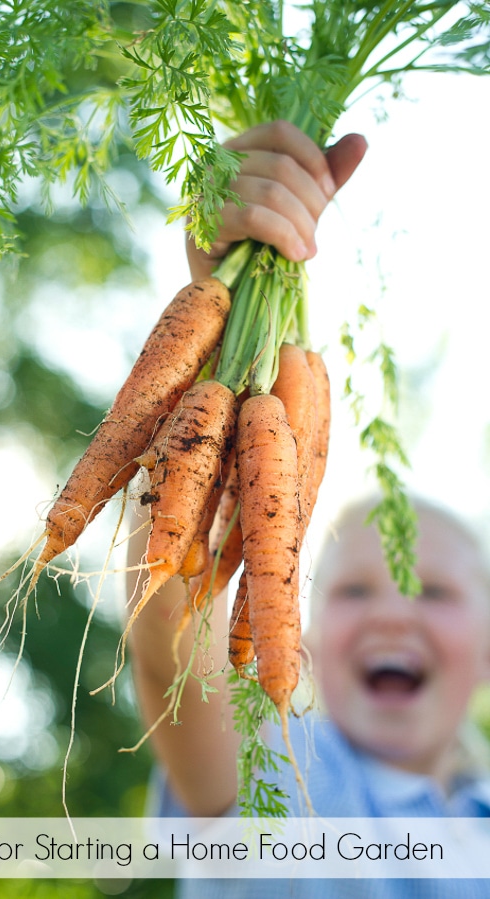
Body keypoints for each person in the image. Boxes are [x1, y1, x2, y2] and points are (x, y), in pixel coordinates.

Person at [124, 121, 490, 896]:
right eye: (355, 589)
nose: (394, 613)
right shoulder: (281, 787)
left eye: (433, 591)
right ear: (309, 632)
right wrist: (220, 323)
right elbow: (174, 645)